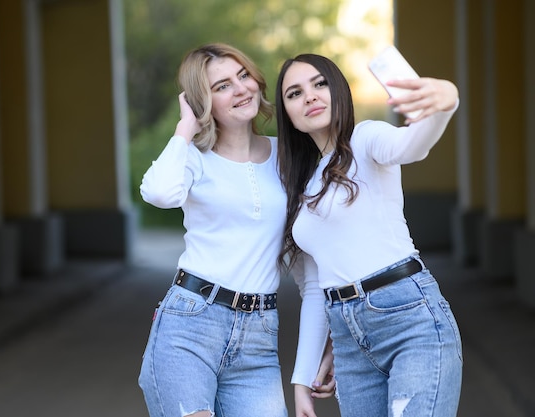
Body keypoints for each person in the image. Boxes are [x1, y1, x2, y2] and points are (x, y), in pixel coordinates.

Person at [275, 52, 463, 417]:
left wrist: (446, 101)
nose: (310, 96)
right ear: (288, 114)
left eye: (319, 84)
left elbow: (411, 145)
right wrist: (301, 379)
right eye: (294, 93)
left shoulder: (365, 139)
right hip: (348, 340)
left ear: (340, 92)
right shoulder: (304, 188)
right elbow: (315, 289)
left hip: (409, 319)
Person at [138, 43, 289, 417]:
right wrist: (185, 129)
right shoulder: (193, 158)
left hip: (259, 334)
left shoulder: (286, 156)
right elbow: (158, 193)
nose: (240, 89)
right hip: (191, 324)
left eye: (243, 76)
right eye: (222, 86)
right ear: (202, 102)